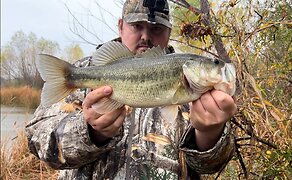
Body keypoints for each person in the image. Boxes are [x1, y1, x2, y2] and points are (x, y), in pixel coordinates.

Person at [26, 0, 237, 179]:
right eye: (137, 26)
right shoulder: (85, 72)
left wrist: (209, 133)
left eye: (156, 28)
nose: (145, 36)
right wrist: (90, 132)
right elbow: (37, 140)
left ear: (169, 32)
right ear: (120, 26)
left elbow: (212, 167)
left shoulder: (203, 92)